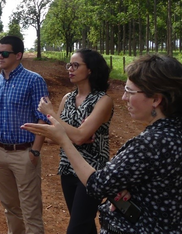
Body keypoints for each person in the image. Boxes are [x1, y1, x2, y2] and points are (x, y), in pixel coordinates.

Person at [23, 54, 182, 233]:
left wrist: (65, 141)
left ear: (156, 99)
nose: (123, 98)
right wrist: (126, 189)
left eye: (130, 91)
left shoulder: (150, 144)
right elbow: (157, 185)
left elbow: (97, 184)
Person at [37, 49, 113, 234]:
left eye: (76, 65)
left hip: (91, 171)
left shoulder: (103, 101)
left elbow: (77, 136)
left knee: (76, 227)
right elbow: (59, 137)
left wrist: (52, 114)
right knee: (84, 224)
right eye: (69, 65)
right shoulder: (67, 99)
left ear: (90, 70)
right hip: (67, 167)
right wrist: (74, 135)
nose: (70, 69)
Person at [0, 35, 48, 234]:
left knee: (30, 210)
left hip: (24, 153)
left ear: (18, 55)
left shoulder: (33, 80)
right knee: (10, 208)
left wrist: (35, 151)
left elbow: (42, 118)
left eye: (5, 53)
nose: (0, 57)